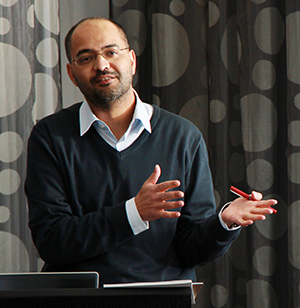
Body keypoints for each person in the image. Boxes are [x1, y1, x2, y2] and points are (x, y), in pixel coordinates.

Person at [25, 17, 277, 285]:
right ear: (71, 73)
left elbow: (191, 249)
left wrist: (223, 223)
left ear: (132, 60)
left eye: (111, 52)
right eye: (86, 58)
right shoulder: (50, 137)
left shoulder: (183, 136)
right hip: (80, 297)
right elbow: (51, 241)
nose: (101, 65)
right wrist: (133, 212)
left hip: (162, 295)